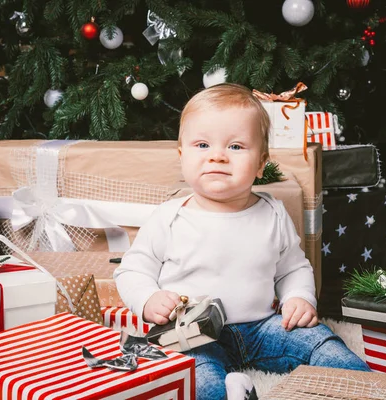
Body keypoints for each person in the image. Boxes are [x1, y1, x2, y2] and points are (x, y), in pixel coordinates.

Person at [114, 83, 370, 400]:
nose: (218, 156)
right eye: (203, 145)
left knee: (320, 342)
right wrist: (148, 298)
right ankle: (235, 392)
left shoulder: (273, 214)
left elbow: (293, 268)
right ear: (182, 156)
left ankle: (366, 390)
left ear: (261, 163)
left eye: (236, 147)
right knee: (197, 377)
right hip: (194, 333)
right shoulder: (169, 217)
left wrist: (299, 298)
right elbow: (131, 270)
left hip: (263, 327)